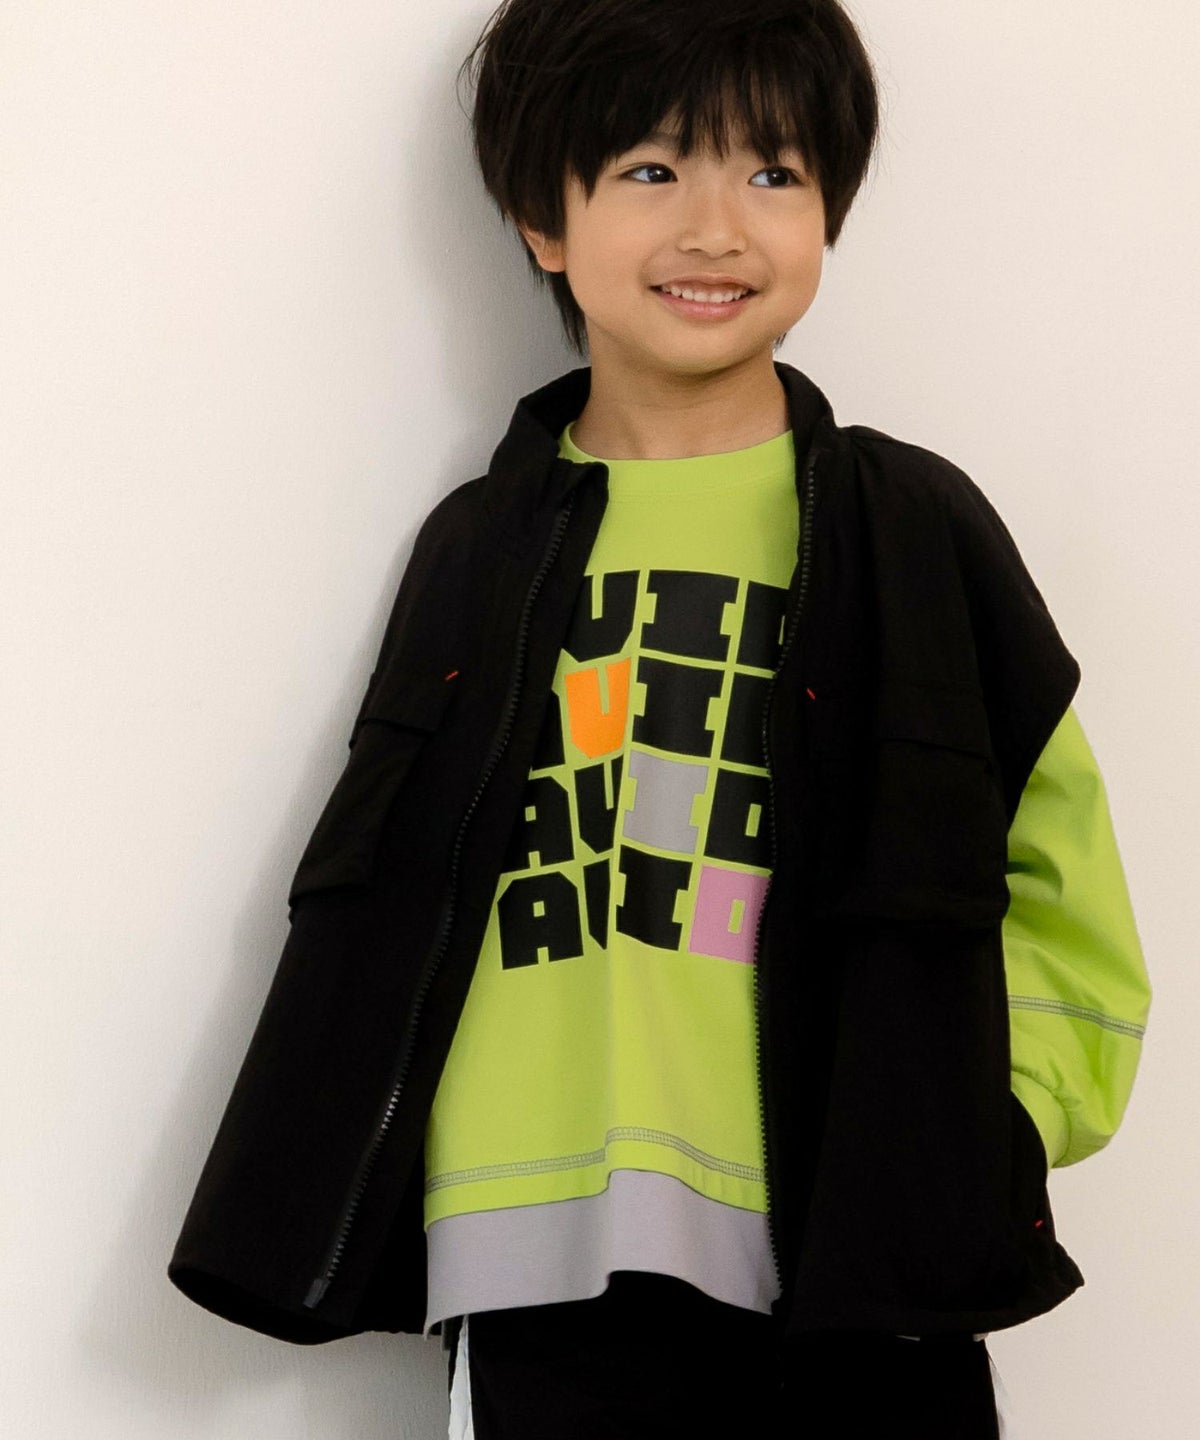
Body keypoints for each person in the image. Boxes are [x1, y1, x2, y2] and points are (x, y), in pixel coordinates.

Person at [167, 2, 1152, 1436]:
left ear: (828, 212)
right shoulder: (478, 545)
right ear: (541, 220)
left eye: (774, 172)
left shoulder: (911, 527)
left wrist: (989, 1122)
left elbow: (1061, 869)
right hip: (534, 1238)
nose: (716, 227)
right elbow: (384, 892)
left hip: (857, 1234)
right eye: (650, 168)